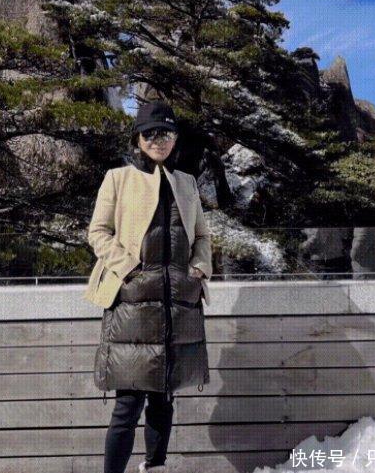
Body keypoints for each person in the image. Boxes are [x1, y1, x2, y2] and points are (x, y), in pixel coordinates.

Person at [84, 99, 213, 473]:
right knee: (128, 404)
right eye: (151, 133)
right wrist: (129, 269)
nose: (159, 140)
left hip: (176, 305)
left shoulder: (186, 182)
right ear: (138, 138)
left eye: (166, 133)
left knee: (163, 399)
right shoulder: (118, 178)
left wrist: (198, 268)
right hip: (132, 304)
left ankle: (155, 467)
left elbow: (202, 236)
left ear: (175, 138)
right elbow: (98, 232)